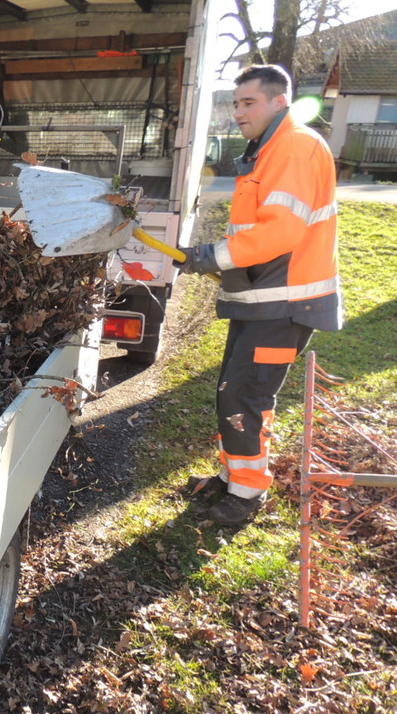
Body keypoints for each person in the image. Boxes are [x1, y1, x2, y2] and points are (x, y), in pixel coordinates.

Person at [179, 64, 343, 525]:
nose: (238, 112)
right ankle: (234, 477)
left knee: (245, 397)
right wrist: (211, 257)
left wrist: (210, 255)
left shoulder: (294, 147)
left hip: (285, 305)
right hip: (264, 300)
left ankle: (248, 494)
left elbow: (279, 233)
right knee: (232, 392)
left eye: (248, 102)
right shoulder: (268, 150)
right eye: (236, 103)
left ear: (279, 102)